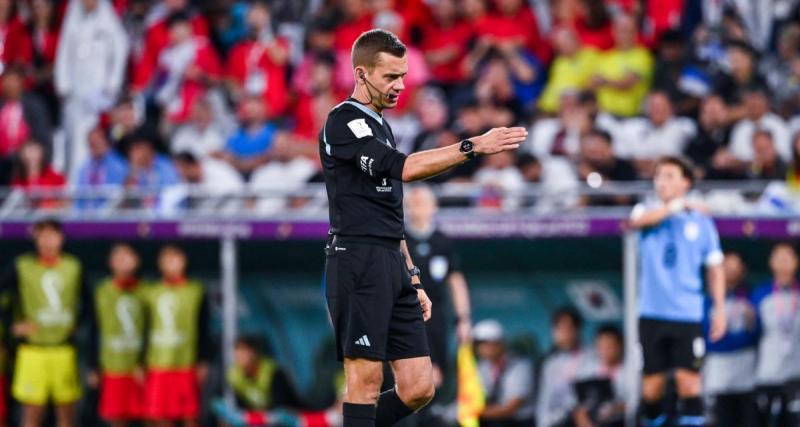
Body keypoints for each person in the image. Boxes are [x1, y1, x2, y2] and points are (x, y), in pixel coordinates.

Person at [320, 29, 526, 427]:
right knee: (365, 381)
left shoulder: (381, 125)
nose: (400, 86)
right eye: (390, 77)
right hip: (357, 259)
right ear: (361, 74)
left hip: (391, 261)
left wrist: (411, 274)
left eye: (403, 76)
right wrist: (472, 146)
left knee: (419, 386)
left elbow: (389, 215)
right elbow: (405, 168)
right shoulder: (343, 122)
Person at [628, 156, 727, 427]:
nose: (662, 181)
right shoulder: (644, 211)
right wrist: (677, 206)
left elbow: (716, 268)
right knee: (652, 389)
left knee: (690, 384)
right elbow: (637, 223)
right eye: (658, 175)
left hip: (688, 314)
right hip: (651, 314)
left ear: (686, 182)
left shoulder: (702, 223)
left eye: (670, 175)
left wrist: (719, 309)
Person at [0, 219, 89, 427]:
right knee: (32, 413)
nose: (48, 241)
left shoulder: (73, 266)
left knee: (66, 412)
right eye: (43, 235)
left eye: (52, 235)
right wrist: (12, 325)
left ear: (61, 238)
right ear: (35, 238)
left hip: (63, 349)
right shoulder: (22, 266)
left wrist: (78, 324)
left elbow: (88, 305)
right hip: (33, 350)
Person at [404, 186, 472, 386]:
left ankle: (432, 412)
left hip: (435, 316)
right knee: (408, 374)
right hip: (404, 313)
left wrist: (463, 319)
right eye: (412, 203)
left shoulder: (443, 242)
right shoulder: (399, 240)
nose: (417, 208)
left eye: (422, 203)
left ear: (434, 206)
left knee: (435, 374)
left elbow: (456, 281)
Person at [55, 0, 129, 178]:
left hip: (99, 95)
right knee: (74, 143)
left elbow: (121, 49)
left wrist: (112, 84)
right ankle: (75, 183)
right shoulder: (72, 19)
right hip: (75, 96)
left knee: (99, 139)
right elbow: (64, 51)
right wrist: (63, 84)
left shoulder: (108, 20)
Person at [141, 245, 210, 427]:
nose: (170, 263)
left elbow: (203, 327)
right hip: (158, 364)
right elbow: (144, 328)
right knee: (159, 416)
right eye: (165, 259)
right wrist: (141, 361)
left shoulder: (195, 290)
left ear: (183, 261)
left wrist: (203, 360)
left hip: (185, 364)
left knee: (189, 415)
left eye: (174, 258)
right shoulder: (150, 292)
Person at [91, 243, 147, 427]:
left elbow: (151, 329)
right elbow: (94, 329)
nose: (123, 262)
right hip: (112, 368)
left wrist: (143, 362)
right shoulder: (102, 292)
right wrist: (93, 366)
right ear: (111, 262)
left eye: (128, 256)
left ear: (136, 261)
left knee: (150, 415)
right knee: (116, 419)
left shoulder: (146, 291)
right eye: (119, 257)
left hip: (140, 369)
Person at [702, 252, 758, 427]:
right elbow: (711, 341)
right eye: (726, 267)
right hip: (718, 380)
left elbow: (757, 336)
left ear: (743, 271)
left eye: (735, 267)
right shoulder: (707, 303)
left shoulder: (750, 299)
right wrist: (741, 340)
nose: (730, 272)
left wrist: (749, 331)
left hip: (747, 379)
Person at [752, 243, 800, 427]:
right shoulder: (759, 295)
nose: (783, 263)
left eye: (787, 258)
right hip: (767, 373)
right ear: (771, 263)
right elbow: (752, 335)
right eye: (778, 258)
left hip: (796, 373)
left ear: (796, 262)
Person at [472, 319, 536, 427]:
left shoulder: (520, 367)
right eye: (480, 344)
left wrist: (472, 411)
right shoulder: (482, 367)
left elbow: (510, 409)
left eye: (484, 343)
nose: (481, 348)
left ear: (499, 343)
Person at [537, 307, 589, 427]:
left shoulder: (593, 357)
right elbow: (545, 402)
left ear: (578, 330)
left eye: (569, 328)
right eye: (560, 328)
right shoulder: (551, 363)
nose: (564, 333)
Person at [228, 335, 304, 411]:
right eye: (237, 351)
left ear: (254, 352)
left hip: (292, 416)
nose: (239, 355)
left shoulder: (273, 372)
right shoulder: (234, 374)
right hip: (261, 418)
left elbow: (281, 406)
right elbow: (239, 406)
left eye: (244, 350)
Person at [571, 326, 626, 427]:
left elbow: (634, 403)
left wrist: (615, 409)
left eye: (610, 346)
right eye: (601, 346)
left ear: (620, 346)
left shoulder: (629, 371)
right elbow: (577, 405)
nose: (605, 351)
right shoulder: (587, 369)